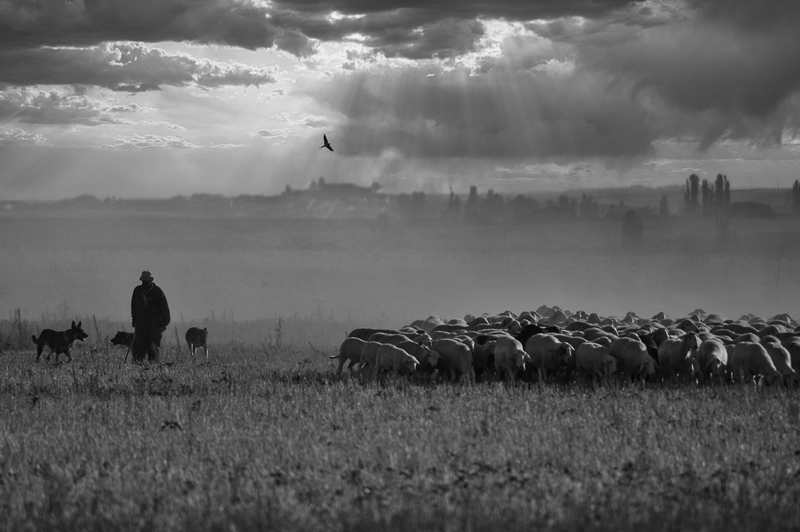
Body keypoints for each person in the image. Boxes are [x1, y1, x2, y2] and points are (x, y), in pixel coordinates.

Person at [130, 270, 171, 362]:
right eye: (144, 281)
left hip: (154, 325)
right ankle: (138, 366)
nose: (145, 283)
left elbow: (164, 309)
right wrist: (134, 320)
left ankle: (153, 368)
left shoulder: (158, 291)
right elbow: (134, 307)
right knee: (139, 348)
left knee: (153, 348)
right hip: (140, 324)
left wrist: (163, 324)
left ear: (152, 280)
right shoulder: (137, 291)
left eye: (147, 281)